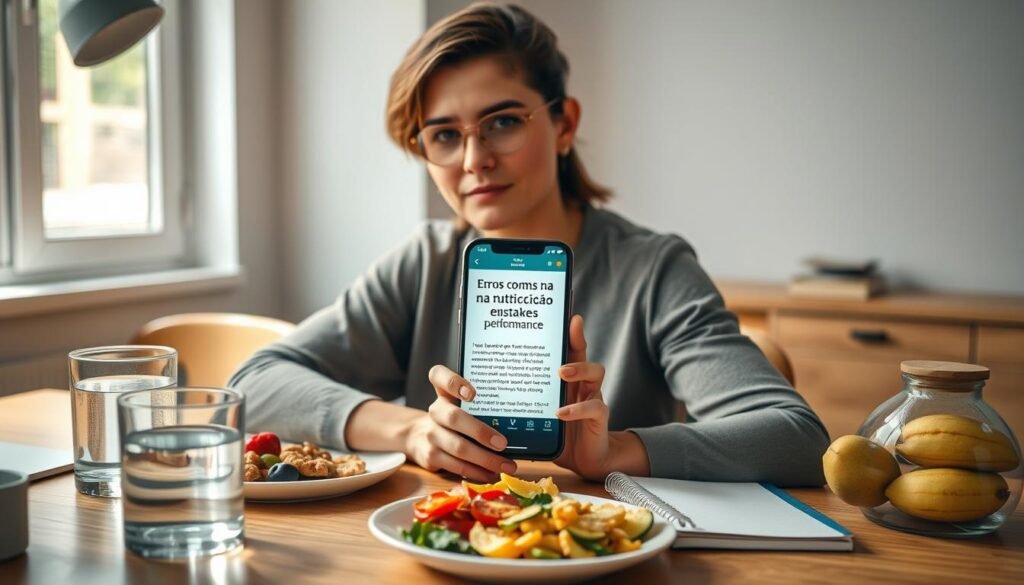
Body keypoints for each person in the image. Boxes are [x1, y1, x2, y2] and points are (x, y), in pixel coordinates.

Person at [230, 2, 829, 486]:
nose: (474, 160)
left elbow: (795, 437)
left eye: (504, 121)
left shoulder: (653, 269)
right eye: (444, 135)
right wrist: (414, 432)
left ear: (564, 124)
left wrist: (617, 451)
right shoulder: (424, 262)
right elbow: (253, 383)